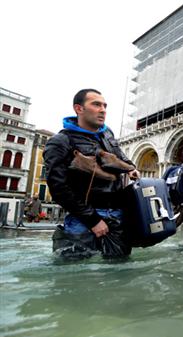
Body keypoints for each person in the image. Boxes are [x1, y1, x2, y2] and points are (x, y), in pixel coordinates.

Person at [44, 89, 140, 258]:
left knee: (119, 273)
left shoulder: (107, 134)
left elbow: (120, 156)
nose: (103, 109)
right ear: (79, 109)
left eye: (105, 105)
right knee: (75, 275)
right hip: (82, 220)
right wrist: (93, 220)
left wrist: (131, 168)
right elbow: (58, 188)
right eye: (96, 104)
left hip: (117, 216)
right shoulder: (60, 142)